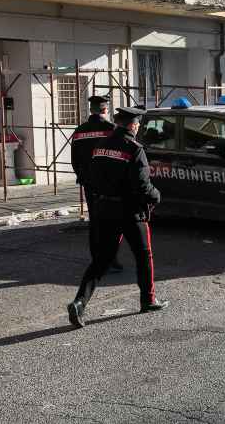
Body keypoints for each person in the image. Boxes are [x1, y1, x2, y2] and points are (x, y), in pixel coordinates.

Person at [68, 106, 168, 328]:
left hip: (104, 209)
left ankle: (79, 303)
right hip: (130, 212)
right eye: (138, 124)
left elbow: (90, 177)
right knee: (144, 255)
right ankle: (148, 300)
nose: (139, 127)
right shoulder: (134, 148)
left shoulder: (100, 146)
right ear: (132, 125)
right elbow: (142, 186)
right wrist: (156, 196)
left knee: (102, 260)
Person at [70, 95, 119, 272]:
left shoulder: (79, 131)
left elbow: (74, 159)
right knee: (111, 222)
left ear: (91, 110)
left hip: (89, 183)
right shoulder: (112, 129)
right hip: (110, 184)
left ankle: (96, 258)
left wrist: (83, 176)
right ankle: (111, 259)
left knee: (95, 220)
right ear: (105, 110)